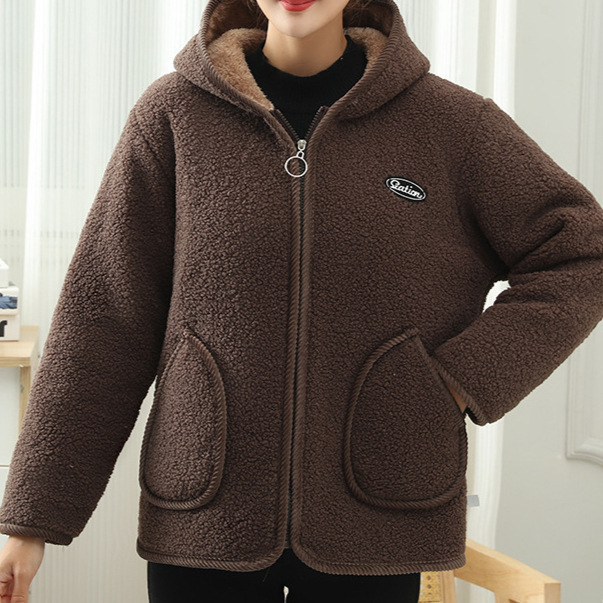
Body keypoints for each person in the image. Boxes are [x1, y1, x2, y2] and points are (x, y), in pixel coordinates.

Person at [1, 0, 603, 600]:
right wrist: (31, 521)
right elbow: (104, 318)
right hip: (207, 510)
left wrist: (455, 379)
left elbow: (584, 253)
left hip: (380, 506)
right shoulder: (174, 116)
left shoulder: (452, 125)